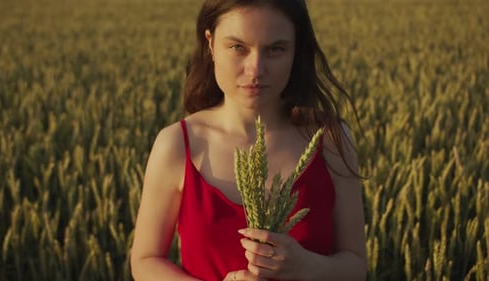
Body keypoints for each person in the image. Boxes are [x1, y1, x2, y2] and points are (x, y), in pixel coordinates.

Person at [130, 0, 367, 280]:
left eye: (275, 49)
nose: (255, 69)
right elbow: (145, 261)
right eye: (238, 47)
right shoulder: (178, 144)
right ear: (210, 44)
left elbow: (355, 265)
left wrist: (308, 267)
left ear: (295, 50)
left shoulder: (329, 140)